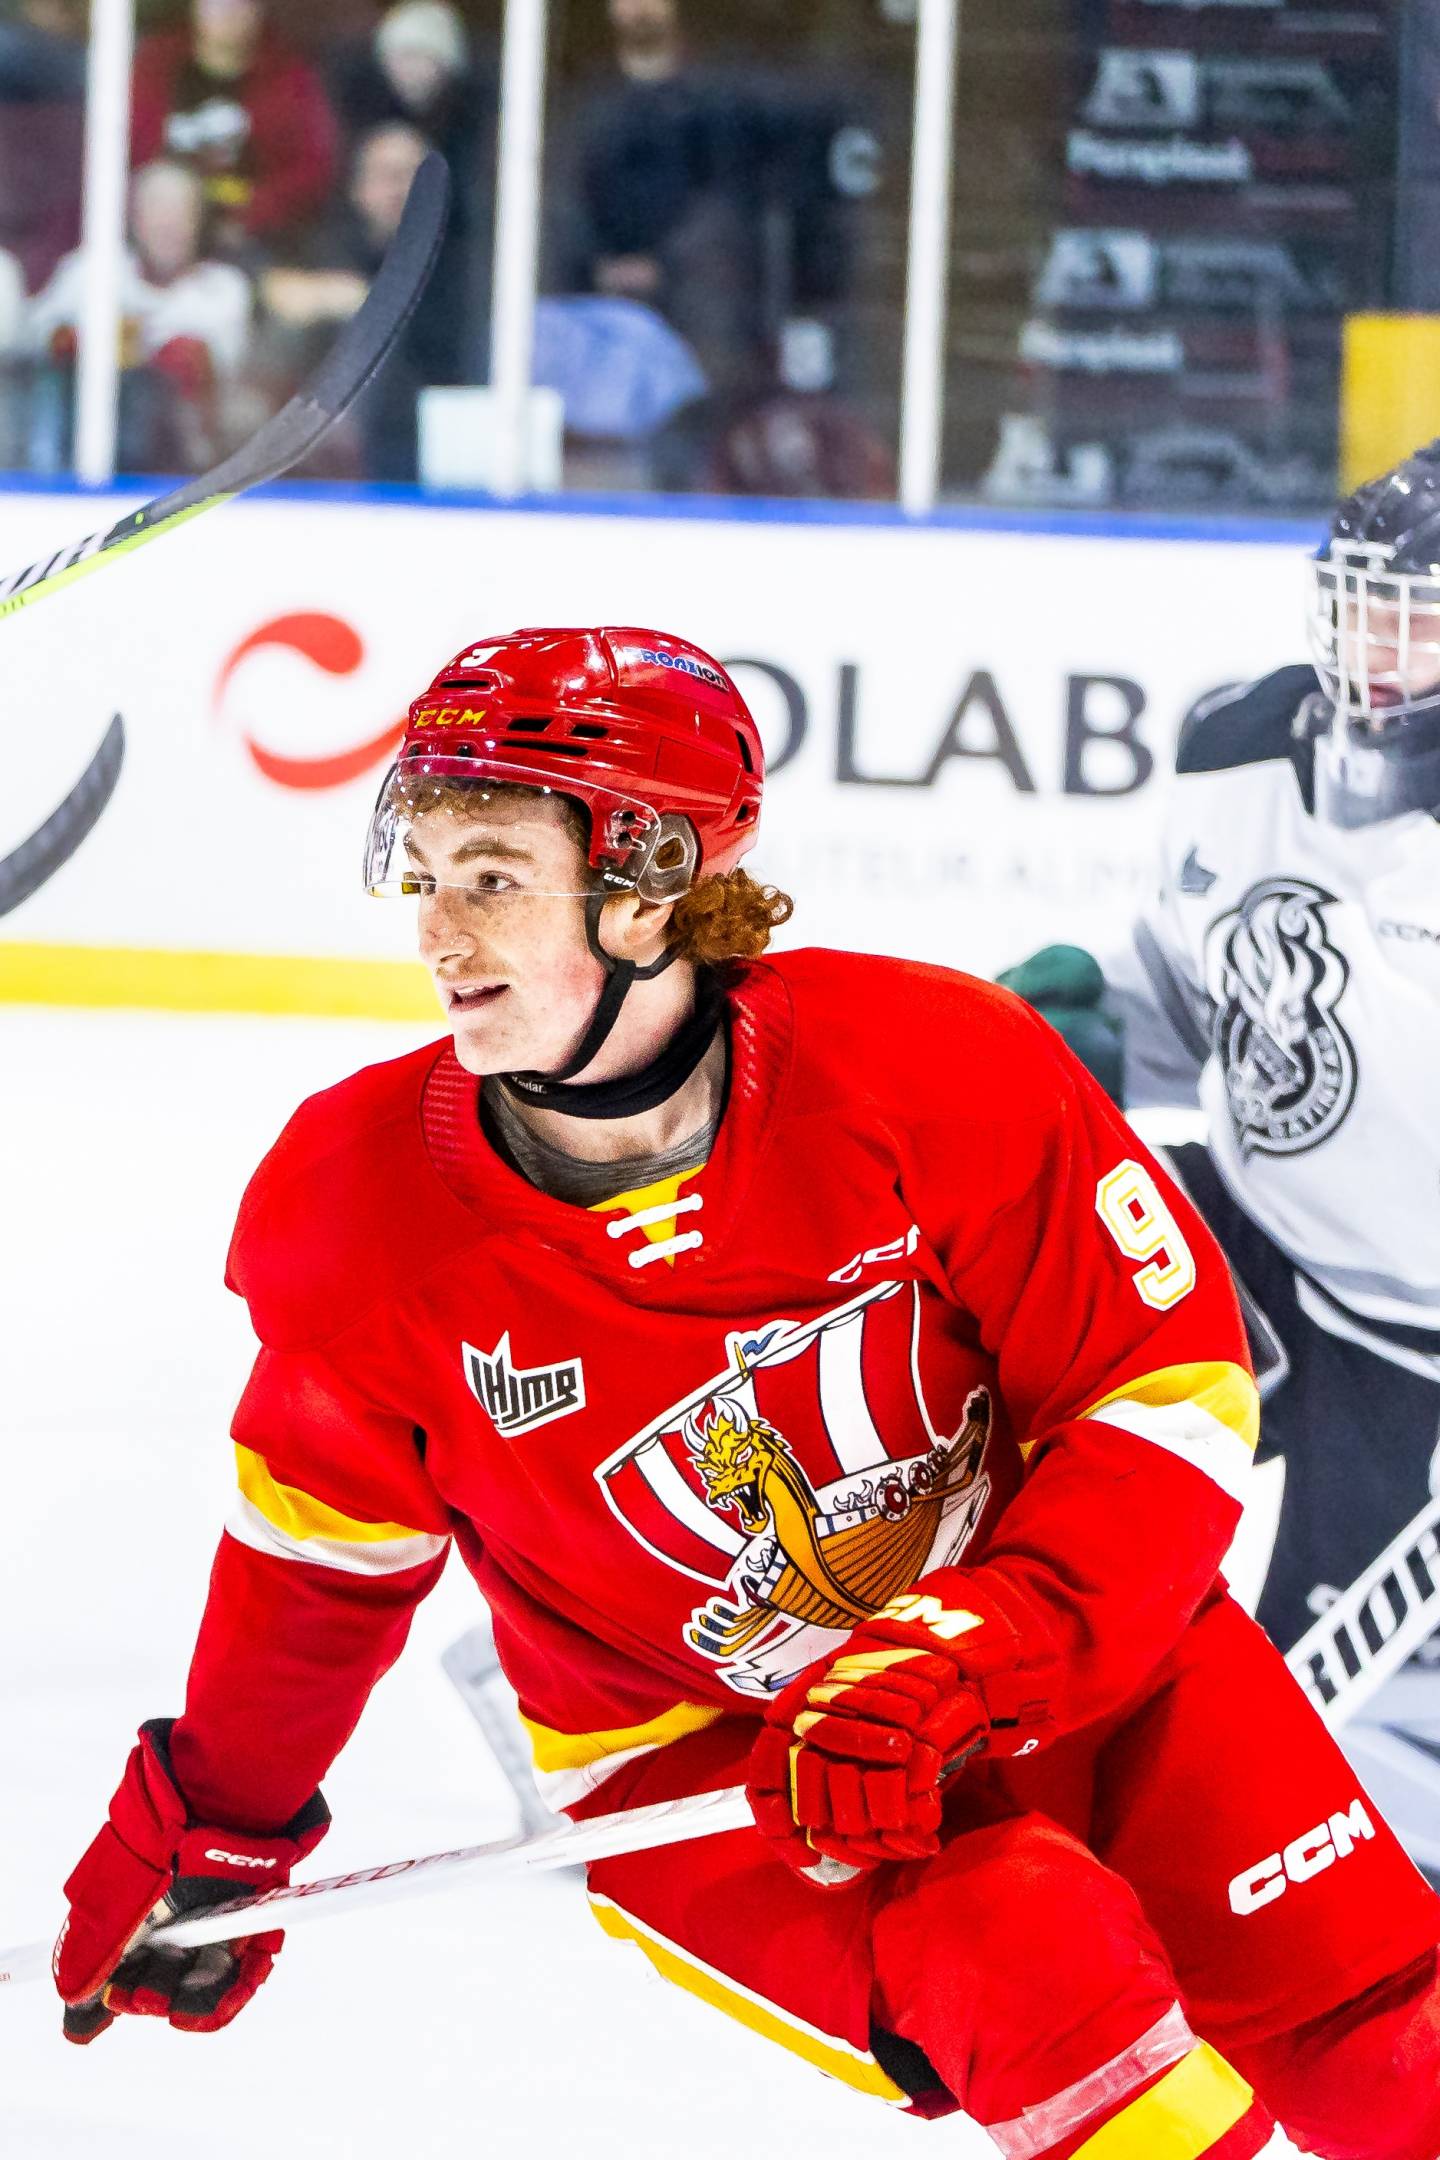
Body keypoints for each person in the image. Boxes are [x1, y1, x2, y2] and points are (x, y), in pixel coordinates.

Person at [53, 628, 1440, 2155]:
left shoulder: (939, 1068)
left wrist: (980, 1646)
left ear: (652, 882)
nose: (439, 932)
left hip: (1080, 1664)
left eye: (495, 874)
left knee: (1381, 2041)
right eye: (427, 869)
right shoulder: (355, 1210)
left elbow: (1161, 1394)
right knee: (1028, 1953)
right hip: (717, 1759)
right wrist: (219, 1825)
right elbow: (324, 1563)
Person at [998, 436, 1440, 1889]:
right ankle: (703, 1665)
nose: (1374, 648)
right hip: (1254, 1239)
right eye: (1364, 604)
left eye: (1417, 619)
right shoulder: (1241, 743)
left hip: (1421, 1354)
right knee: (966, 1344)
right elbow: (1201, 999)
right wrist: (1076, 1029)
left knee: (1331, 1743)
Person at [29, 158, 253, 470]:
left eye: (180, 212)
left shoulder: (222, 288)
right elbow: (35, 341)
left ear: (199, 221)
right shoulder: (91, 270)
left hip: (184, 467)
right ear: (134, 217)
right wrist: (75, 342)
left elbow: (219, 373)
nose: (168, 224)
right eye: (157, 210)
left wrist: (145, 352)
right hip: (78, 453)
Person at [130, 0, 338, 257]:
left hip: (256, 239)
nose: (230, 9)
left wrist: (248, 217)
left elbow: (311, 168)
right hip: (157, 233)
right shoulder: (156, 63)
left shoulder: (291, 78)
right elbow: (125, 149)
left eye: (243, 2)